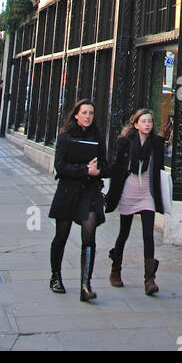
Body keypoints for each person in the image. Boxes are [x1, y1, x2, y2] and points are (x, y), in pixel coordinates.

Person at [48, 100, 108, 302]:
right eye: (84, 112)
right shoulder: (65, 138)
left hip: (89, 191)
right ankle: (55, 277)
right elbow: (60, 166)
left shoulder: (98, 137)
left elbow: (106, 164)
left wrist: (99, 171)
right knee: (61, 235)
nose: (88, 116)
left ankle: (85, 284)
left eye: (91, 113)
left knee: (89, 234)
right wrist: (84, 170)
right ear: (76, 115)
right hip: (68, 190)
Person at [105, 108, 165, 295]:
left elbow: (160, 168)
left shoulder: (156, 143)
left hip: (147, 192)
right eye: (144, 121)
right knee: (124, 232)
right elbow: (117, 167)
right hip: (129, 189)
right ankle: (116, 269)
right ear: (136, 124)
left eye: (150, 121)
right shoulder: (125, 142)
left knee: (148, 234)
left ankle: (149, 280)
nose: (148, 124)